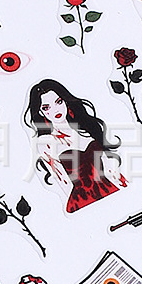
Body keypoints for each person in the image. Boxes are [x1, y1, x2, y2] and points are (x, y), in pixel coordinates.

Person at [25, 78, 125, 213]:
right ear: (41, 112)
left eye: (59, 102)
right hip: (82, 200)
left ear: (65, 101)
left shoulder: (85, 127)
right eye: (46, 108)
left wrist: (124, 188)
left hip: (110, 187)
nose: (55, 110)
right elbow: (63, 181)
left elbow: (109, 166)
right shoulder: (46, 142)